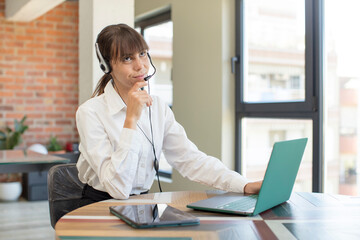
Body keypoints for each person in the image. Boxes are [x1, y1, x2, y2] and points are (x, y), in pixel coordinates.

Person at [76, 23, 262, 202]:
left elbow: (190, 159)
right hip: (98, 206)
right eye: (127, 58)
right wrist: (131, 119)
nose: (140, 65)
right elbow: (117, 188)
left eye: (142, 54)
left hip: (142, 204)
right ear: (106, 66)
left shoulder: (157, 107)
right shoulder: (90, 113)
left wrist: (243, 185)